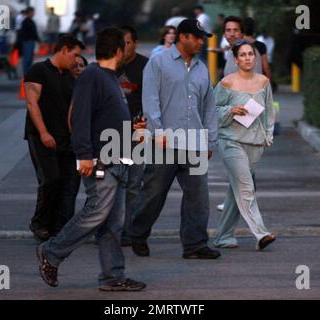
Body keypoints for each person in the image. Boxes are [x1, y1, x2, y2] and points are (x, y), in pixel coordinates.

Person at [36, 27, 146, 292]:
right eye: (126, 46)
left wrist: (132, 129)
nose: (129, 51)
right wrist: (84, 155)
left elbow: (104, 118)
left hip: (119, 158)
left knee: (112, 223)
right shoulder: (93, 75)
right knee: (96, 212)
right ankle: (51, 252)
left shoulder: (109, 77)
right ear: (119, 50)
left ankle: (112, 277)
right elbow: (79, 117)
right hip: (100, 161)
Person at [131, 19, 221, 260]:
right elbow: (150, 101)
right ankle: (136, 235)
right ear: (183, 37)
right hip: (165, 142)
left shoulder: (202, 68)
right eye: (197, 38)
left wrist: (210, 141)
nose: (201, 43)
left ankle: (194, 245)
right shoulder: (158, 63)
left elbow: (209, 107)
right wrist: (158, 132)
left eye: (203, 39)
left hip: (194, 143)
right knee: (153, 193)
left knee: (198, 197)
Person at [213, 39, 276, 250]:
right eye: (243, 55)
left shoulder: (264, 82)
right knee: (246, 187)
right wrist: (230, 110)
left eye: (250, 54)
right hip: (230, 140)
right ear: (235, 59)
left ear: (255, 57)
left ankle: (223, 236)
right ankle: (261, 233)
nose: (247, 58)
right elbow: (211, 111)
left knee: (237, 188)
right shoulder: (226, 83)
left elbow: (269, 111)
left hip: (255, 143)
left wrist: (268, 135)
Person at [24, 35, 85, 242]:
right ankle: (39, 222)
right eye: (75, 54)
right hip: (41, 137)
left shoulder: (69, 76)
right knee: (50, 179)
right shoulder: (38, 70)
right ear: (64, 50)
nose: (76, 60)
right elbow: (32, 103)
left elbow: (72, 109)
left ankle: (57, 226)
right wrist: (43, 132)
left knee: (66, 182)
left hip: (64, 138)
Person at [117, 26, 149, 246]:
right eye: (120, 43)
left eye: (127, 42)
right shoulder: (109, 64)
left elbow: (152, 99)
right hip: (111, 136)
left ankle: (129, 229)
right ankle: (109, 229)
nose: (123, 47)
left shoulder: (146, 66)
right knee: (112, 183)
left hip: (136, 133)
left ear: (135, 43)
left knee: (134, 183)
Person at [19, 7, 40, 74]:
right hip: (27, 42)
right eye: (33, 12)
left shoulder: (29, 21)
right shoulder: (26, 21)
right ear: (29, 12)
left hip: (30, 41)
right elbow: (31, 32)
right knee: (27, 59)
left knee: (29, 59)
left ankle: (28, 73)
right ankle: (26, 74)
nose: (34, 13)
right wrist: (37, 39)